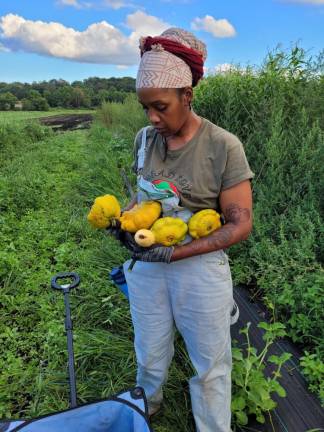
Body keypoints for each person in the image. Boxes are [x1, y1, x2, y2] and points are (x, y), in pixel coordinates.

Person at [121, 27, 254, 432]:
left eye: (160, 107)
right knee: (149, 349)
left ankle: (213, 426)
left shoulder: (222, 146)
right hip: (149, 264)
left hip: (200, 267)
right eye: (146, 108)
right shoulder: (145, 140)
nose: (152, 118)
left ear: (187, 96)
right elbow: (140, 200)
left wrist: (176, 253)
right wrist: (124, 223)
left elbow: (240, 223)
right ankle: (148, 405)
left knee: (211, 362)